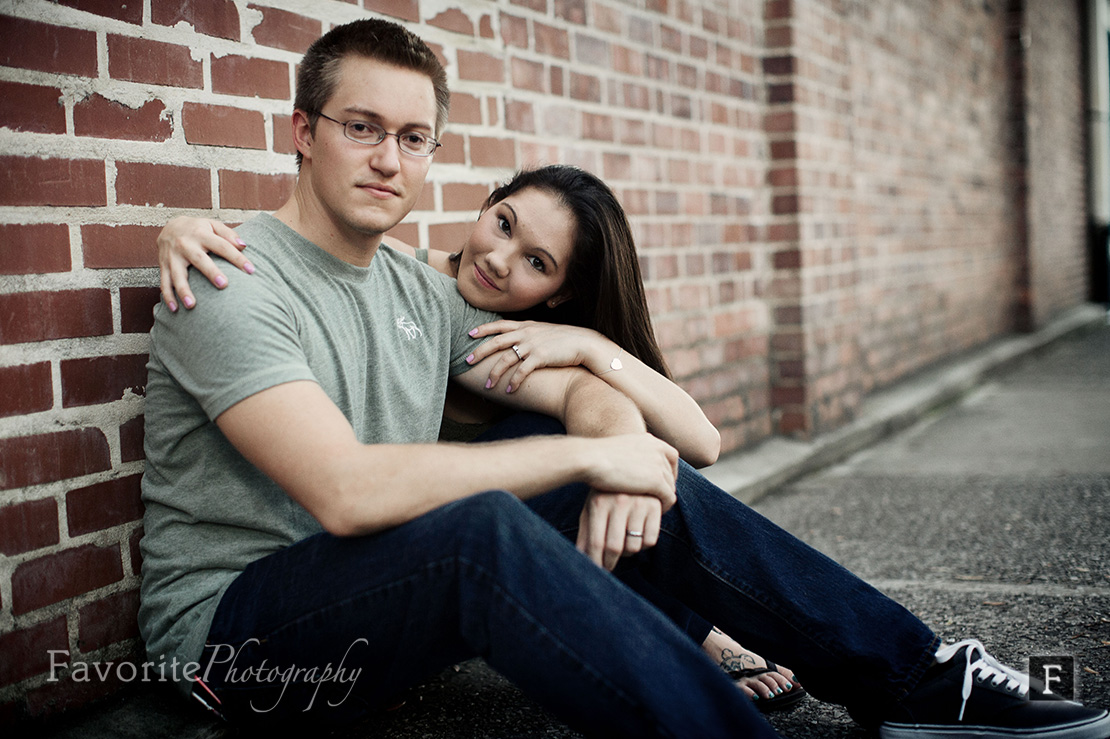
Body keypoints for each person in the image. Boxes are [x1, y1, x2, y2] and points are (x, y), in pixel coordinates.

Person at [137, 17, 1109, 739]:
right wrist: (600, 453)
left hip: (372, 602)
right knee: (491, 524)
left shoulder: (418, 293)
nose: (391, 159)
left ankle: (923, 680)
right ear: (303, 130)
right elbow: (346, 494)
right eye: (362, 127)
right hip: (239, 642)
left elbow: (574, 398)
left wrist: (612, 453)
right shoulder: (227, 279)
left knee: (594, 466)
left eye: (416, 137)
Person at [155, 164, 808, 710]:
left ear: (560, 292)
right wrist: (177, 228)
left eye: (535, 261)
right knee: (554, 479)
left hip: (440, 544)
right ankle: (690, 641)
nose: (498, 259)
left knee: (608, 468)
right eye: (502, 223)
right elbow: (314, 258)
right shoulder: (416, 286)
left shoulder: (531, 342)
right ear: (489, 204)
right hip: (388, 545)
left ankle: (846, 658)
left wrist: (589, 348)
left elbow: (700, 440)